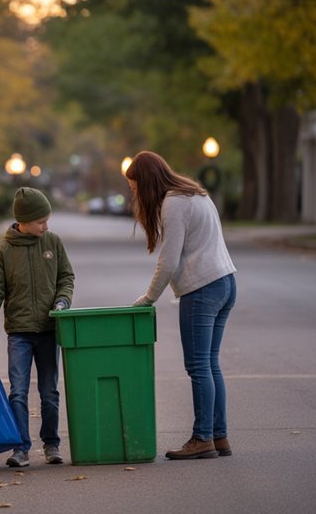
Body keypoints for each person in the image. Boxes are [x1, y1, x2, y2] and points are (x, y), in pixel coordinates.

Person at [126, 150, 237, 460]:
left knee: (199, 366)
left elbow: (170, 260)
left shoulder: (174, 203)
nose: (133, 194)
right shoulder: (194, 192)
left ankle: (202, 438)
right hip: (226, 282)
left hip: (202, 289)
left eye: (135, 188)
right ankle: (219, 435)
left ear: (147, 183)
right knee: (210, 363)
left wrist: (148, 298)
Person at [0, 187, 74, 468]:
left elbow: (66, 277)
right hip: (19, 333)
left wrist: (63, 300)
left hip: (48, 330)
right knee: (17, 391)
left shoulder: (53, 243)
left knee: (49, 392)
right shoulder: (4, 251)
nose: (46, 225)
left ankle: (51, 443)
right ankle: (21, 447)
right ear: (24, 221)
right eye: (41, 221)